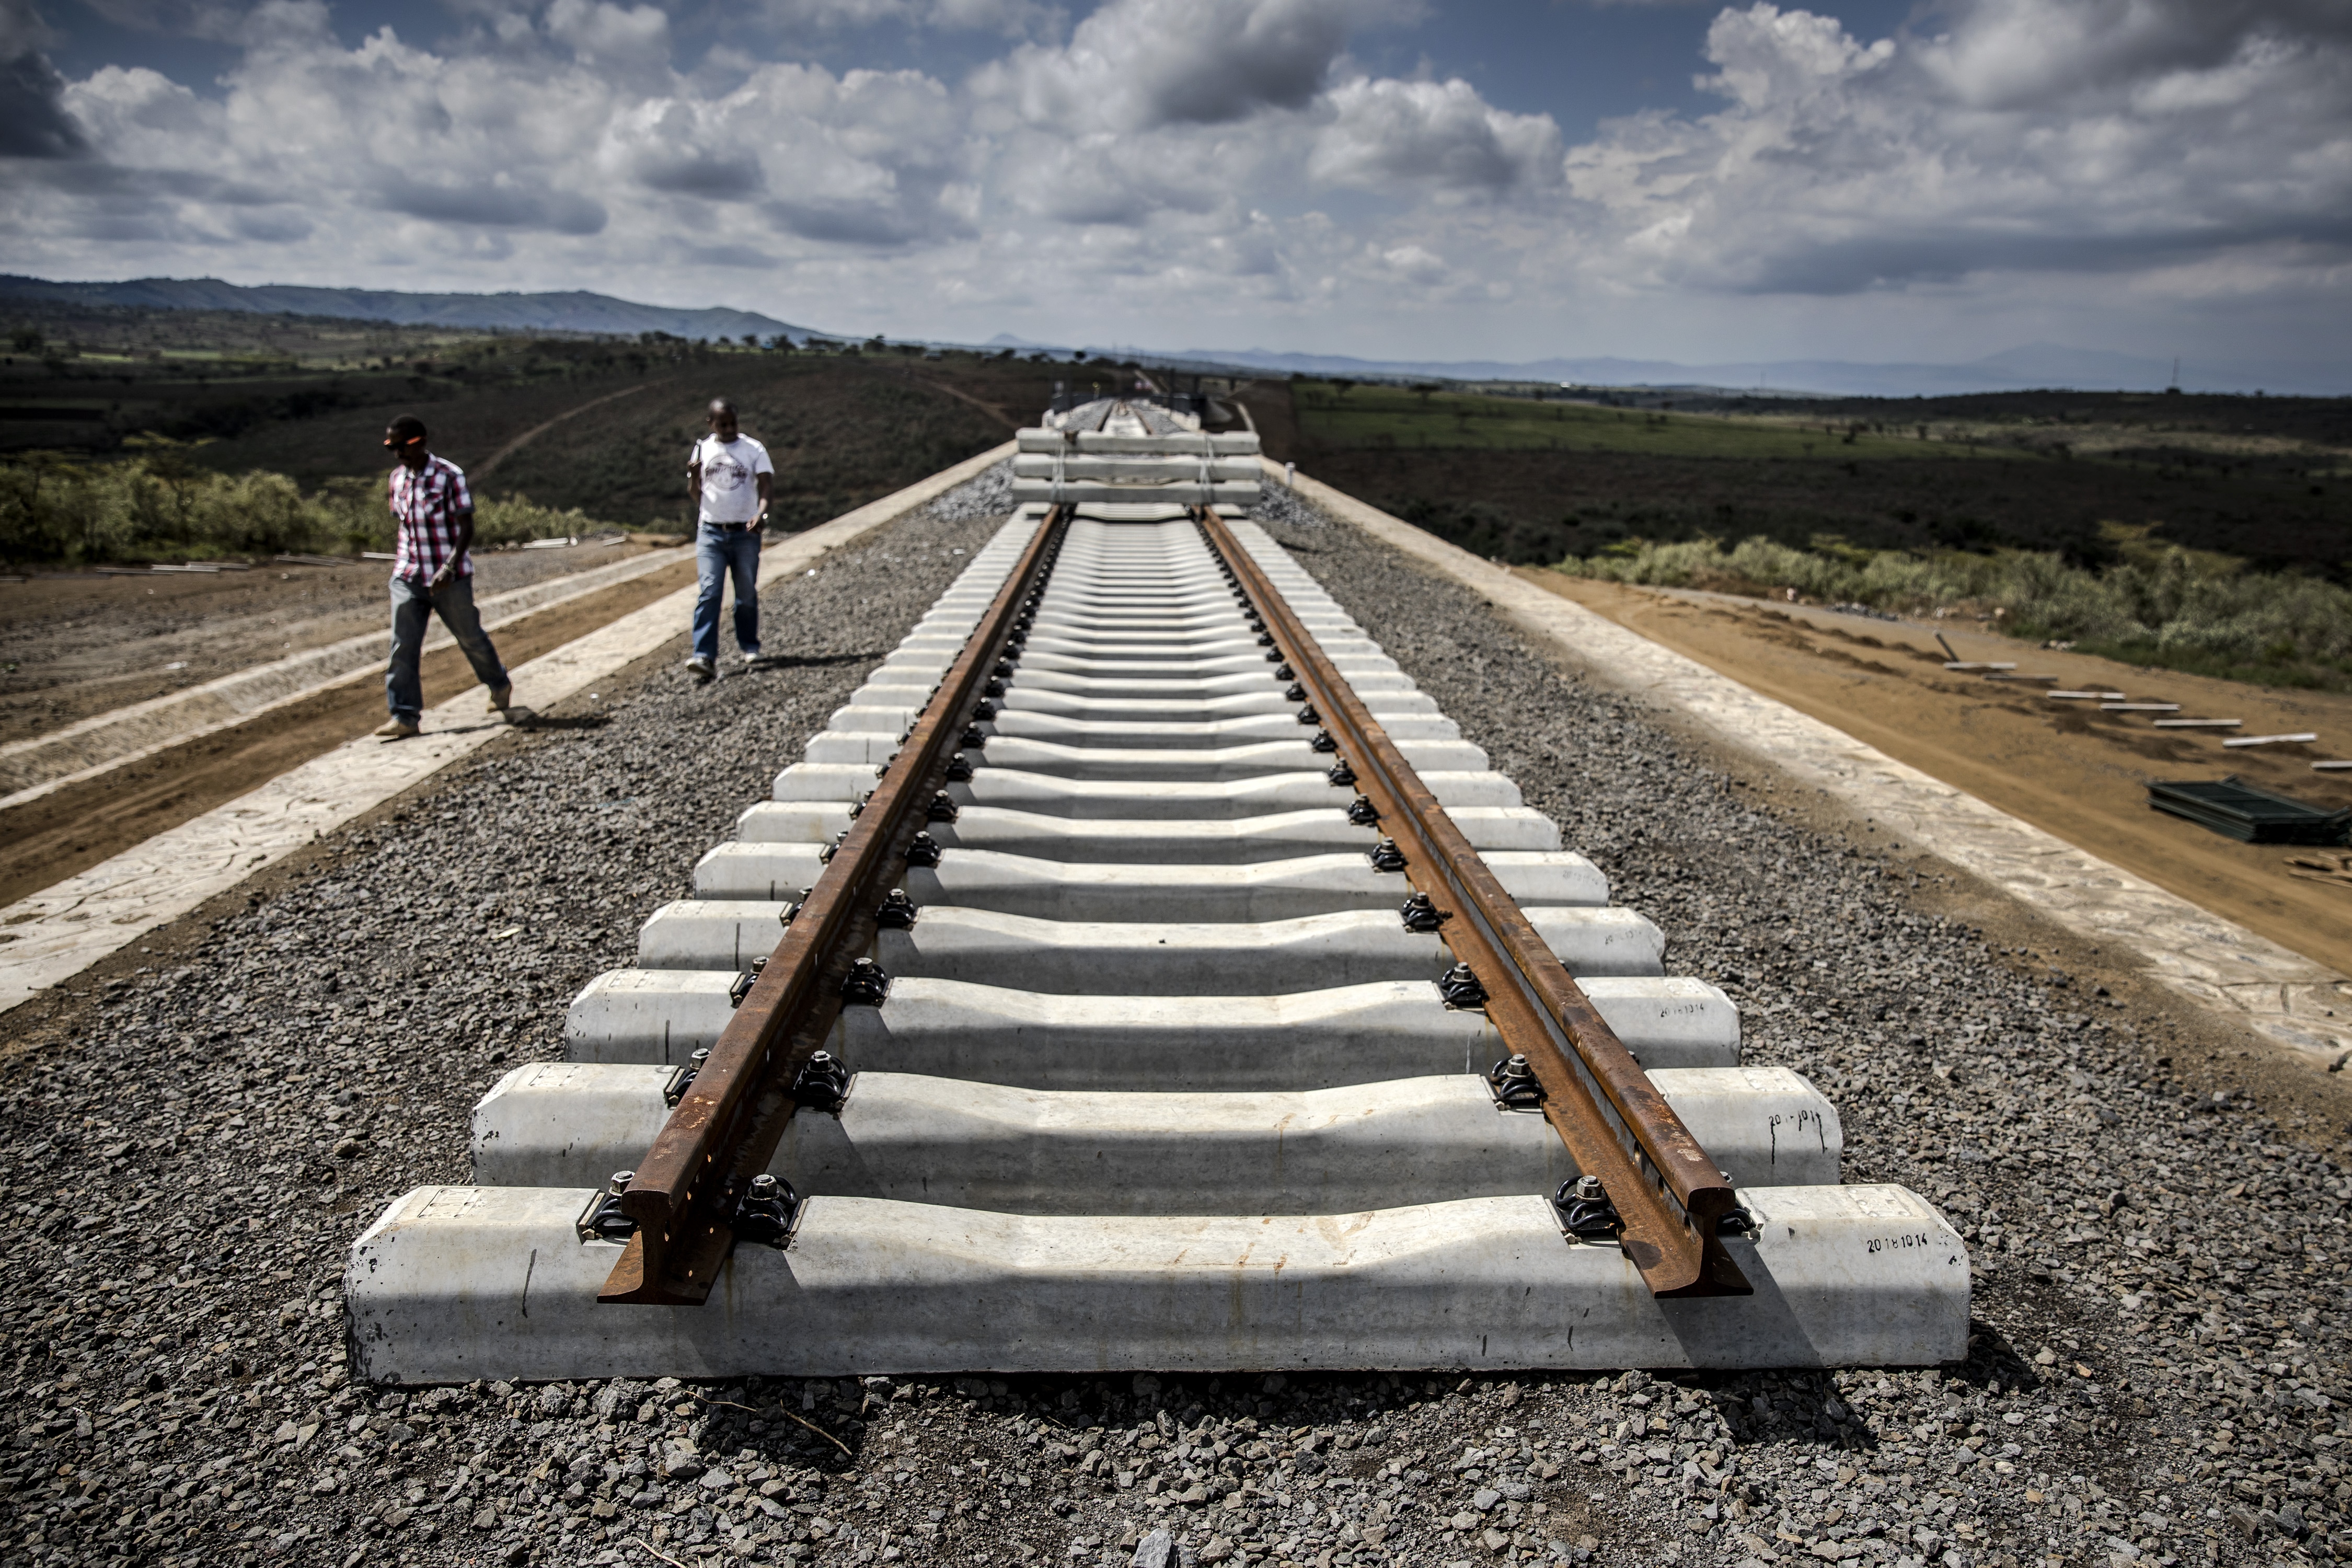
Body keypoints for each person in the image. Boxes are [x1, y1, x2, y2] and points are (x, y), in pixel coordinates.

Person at [374, 414, 513, 740]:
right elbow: (404, 527)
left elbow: (467, 527)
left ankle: (499, 684)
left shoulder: (450, 476)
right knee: (403, 646)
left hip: (450, 578)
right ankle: (405, 716)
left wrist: (449, 567)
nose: (398, 453)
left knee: (470, 638)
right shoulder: (397, 479)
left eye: (402, 446)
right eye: (391, 447)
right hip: (408, 575)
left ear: (421, 442)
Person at [686, 398, 774, 680]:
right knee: (710, 592)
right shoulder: (703, 449)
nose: (728, 429)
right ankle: (704, 655)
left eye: (732, 423)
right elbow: (697, 495)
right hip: (710, 531)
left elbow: (766, 485)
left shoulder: (753, 449)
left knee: (745, 593)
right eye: (722, 425)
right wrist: (693, 477)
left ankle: (749, 646)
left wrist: (761, 513)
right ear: (711, 424)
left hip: (745, 533)